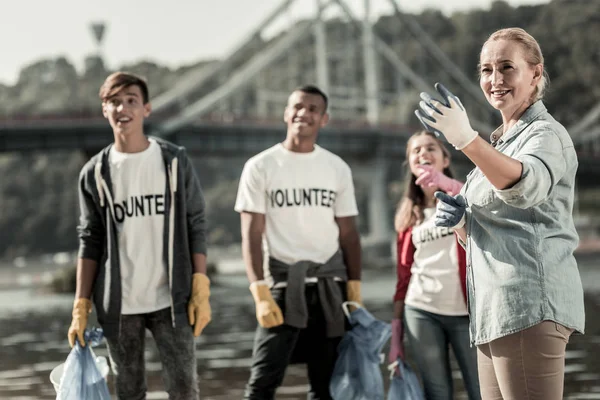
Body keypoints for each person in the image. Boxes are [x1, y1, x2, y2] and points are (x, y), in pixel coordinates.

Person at [417, 27, 585, 400]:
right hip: (493, 311)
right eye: (486, 69)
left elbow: (526, 188)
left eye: (507, 67)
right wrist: (463, 224)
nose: (494, 80)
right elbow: (501, 231)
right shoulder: (500, 143)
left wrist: (465, 140)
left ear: (536, 74)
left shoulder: (546, 135)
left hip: (528, 306)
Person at [68, 71, 211, 400]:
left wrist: (200, 284)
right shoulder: (94, 173)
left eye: (131, 101)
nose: (123, 108)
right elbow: (89, 240)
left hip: (172, 299)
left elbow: (196, 223)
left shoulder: (174, 161)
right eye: (114, 102)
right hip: (119, 304)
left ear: (146, 109)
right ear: (104, 110)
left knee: (184, 389)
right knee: (129, 392)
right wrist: (81, 305)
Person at [234, 85, 363, 400]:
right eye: (298, 107)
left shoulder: (337, 168)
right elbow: (251, 234)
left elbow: (348, 234)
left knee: (325, 388)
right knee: (261, 384)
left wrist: (354, 288)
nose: (303, 113)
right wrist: (258, 291)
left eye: (313, 109)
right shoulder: (260, 166)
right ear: (286, 113)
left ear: (324, 119)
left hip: (329, 289)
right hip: (279, 288)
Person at [389, 130, 480, 400]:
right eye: (416, 150)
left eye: (430, 148)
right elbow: (403, 278)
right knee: (437, 392)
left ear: (445, 158)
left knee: (482, 389)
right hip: (421, 311)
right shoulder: (408, 216)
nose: (423, 153)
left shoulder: (464, 195)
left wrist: (446, 183)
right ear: (410, 162)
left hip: (467, 312)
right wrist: (396, 338)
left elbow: (486, 205)